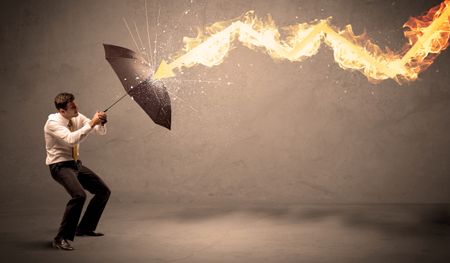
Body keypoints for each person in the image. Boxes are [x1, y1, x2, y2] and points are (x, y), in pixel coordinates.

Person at [44, 92, 111, 250]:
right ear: (62, 111)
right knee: (79, 196)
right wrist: (91, 123)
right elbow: (71, 140)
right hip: (59, 165)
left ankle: (85, 228)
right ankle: (60, 238)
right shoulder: (52, 123)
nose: (77, 109)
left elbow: (100, 132)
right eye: (73, 107)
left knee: (103, 191)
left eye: (75, 105)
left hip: (74, 164)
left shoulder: (76, 116)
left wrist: (101, 122)